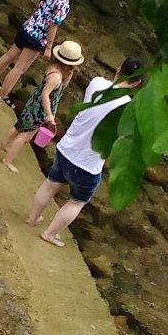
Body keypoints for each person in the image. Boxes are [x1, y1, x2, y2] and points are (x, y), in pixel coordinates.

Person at [26, 57, 144, 246]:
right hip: (88, 164)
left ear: (118, 69)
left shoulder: (96, 83)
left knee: (50, 184)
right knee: (77, 202)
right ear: (137, 83)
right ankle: (49, 234)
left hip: (67, 149)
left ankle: (32, 219)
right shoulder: (129, 108)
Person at [0, 0, 88, 102]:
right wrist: (49, 47)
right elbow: (53, 25)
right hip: (37, 37)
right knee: (19, 69)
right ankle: (2, 95)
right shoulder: (64, 3)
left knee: (9, 55)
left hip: (28, 26)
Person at [0, 40, 84, 172]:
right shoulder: (55, 77)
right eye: (72, 66)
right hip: (38, 111)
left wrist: (68, 76)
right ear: (68, 65)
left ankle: (4, 144)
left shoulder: (54, 69)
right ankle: (8, 160)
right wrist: (49, 115)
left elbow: (62, 88)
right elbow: (45, 94)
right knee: (25, 137)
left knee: (19, 126)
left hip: (33, 105)